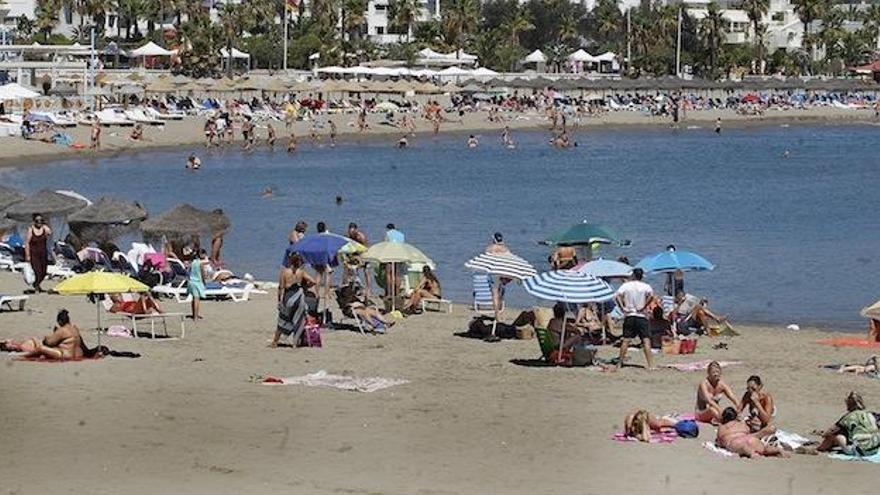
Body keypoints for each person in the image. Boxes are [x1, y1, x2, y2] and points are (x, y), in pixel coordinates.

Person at [813, 392, 880, 456]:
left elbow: (829, 432)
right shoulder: (870, 414)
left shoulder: (847, 417)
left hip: (861, 451)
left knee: (836, 436)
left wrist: (823, 434)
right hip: (875, 448)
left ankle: (820, 448)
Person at [614, 268, 656, 370]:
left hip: (630, 314)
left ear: (633, 275)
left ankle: (620, 363)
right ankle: (650, 364)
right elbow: (651, 296)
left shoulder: (626, 285)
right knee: (646, 340)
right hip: (641, 315)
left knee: (626, 340)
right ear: (641, 276)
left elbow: (617, 295)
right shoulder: (646, 286)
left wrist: (622, 307)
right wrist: (644, 306)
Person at [272, 252, 317, 347]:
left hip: (289, 296)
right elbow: (313, 281)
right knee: (299, 320)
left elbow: (281, 287)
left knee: (283, 319)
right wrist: (305, 287)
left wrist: (279, 300)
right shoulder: (301, 272)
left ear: (290, 261)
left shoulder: (284, 272)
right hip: (299, 296)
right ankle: (295, 343)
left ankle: (275, 342)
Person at [1, 309, 83, 360]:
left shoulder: (62, 330)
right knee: (36, 343)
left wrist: (53, 333)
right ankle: (12, 345)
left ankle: (23, 355)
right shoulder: (75, 328)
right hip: (77, 354)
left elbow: (48, 343)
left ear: (60, 321)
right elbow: (83, 345)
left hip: (64, 354)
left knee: (40, 348)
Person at [716, 407, 785, 458]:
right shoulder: (742, 424)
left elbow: (719, 442)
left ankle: (752, 453)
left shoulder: (722, 427)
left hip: (735, 441)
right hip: (749, 437)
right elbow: (748, 431)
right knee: (764, 448)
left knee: (744, 447)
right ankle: (778, 450)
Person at [24, 213, 51, 293]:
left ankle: (37, 285)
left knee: (44, 272)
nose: (39, 222)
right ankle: (36, 286)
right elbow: (27, 243)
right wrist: (27, 255)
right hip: (34, 254)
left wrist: (45, 226)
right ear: (34, 221)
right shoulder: (31, 229)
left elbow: (50, 233)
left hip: (43, 253)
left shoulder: (44, 228)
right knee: (37, 271)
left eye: (41, 220)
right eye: (37, 221)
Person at [188, 249, 208, 320]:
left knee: (193, 299)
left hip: (191, 282)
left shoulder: (192, 262)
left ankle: (194, 314)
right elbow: (202, 274)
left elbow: (189, 272)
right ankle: (195, 317)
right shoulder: (201, 264)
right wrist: (204, 281)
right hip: (197, 282)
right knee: (197, 299)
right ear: (201, 255)